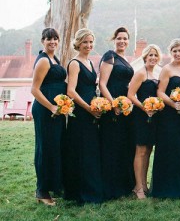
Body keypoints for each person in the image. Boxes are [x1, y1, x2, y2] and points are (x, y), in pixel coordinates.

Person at [63, 28, 103, 204]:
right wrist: (88, 108)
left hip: (92, 110)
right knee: (80, 150)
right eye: (85, 42)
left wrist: (98, 104)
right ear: (78, 43)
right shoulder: (74, 63)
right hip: (80, 112)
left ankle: (92, 188)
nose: (88, 45)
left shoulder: (90, 62)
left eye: (91, 42)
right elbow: (71, 91)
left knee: (91, 150)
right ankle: (78, 192)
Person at [152, 39, 180, 198]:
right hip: (169, 116)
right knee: (170, 149)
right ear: (171, 53)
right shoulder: (166, 69)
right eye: (174, 51)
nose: (178, 54)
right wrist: (172, 103)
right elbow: (160, 92)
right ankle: (166, 187)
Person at [31, 28, 67, 206]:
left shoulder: (54, 59)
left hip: (57, 111)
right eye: (48, 39)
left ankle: (53, 186)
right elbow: (34, 89)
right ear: (42, 41)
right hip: (45, 111)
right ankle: (42, 191)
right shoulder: (43, 61)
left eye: (55, 39)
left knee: (54, 148)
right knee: (45, 149)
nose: (52, 42)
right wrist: (52, 106)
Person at [98, 27, 135, 199]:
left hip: (125, 107)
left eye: (125, 39)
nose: (122, 41)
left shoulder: (125, 59)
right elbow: (102, 84)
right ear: (114, 39)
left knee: (124, 145)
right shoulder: (109, 56)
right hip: (112, 107)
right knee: (111, 146)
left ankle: (125, 185)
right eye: (119, 38)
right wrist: (114, 104)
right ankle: (110, 188)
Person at [127, 44, 162, 199]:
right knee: (140, 151)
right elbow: (131, 95)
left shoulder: (157, 74)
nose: (153, 58)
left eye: (155, 55)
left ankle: (144, 183)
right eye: (150, 55)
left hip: (153, 117)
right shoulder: (140, 73)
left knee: (148, 150)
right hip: (141, 116)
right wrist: (144, 108)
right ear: (145, 57)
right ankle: (138, 187)